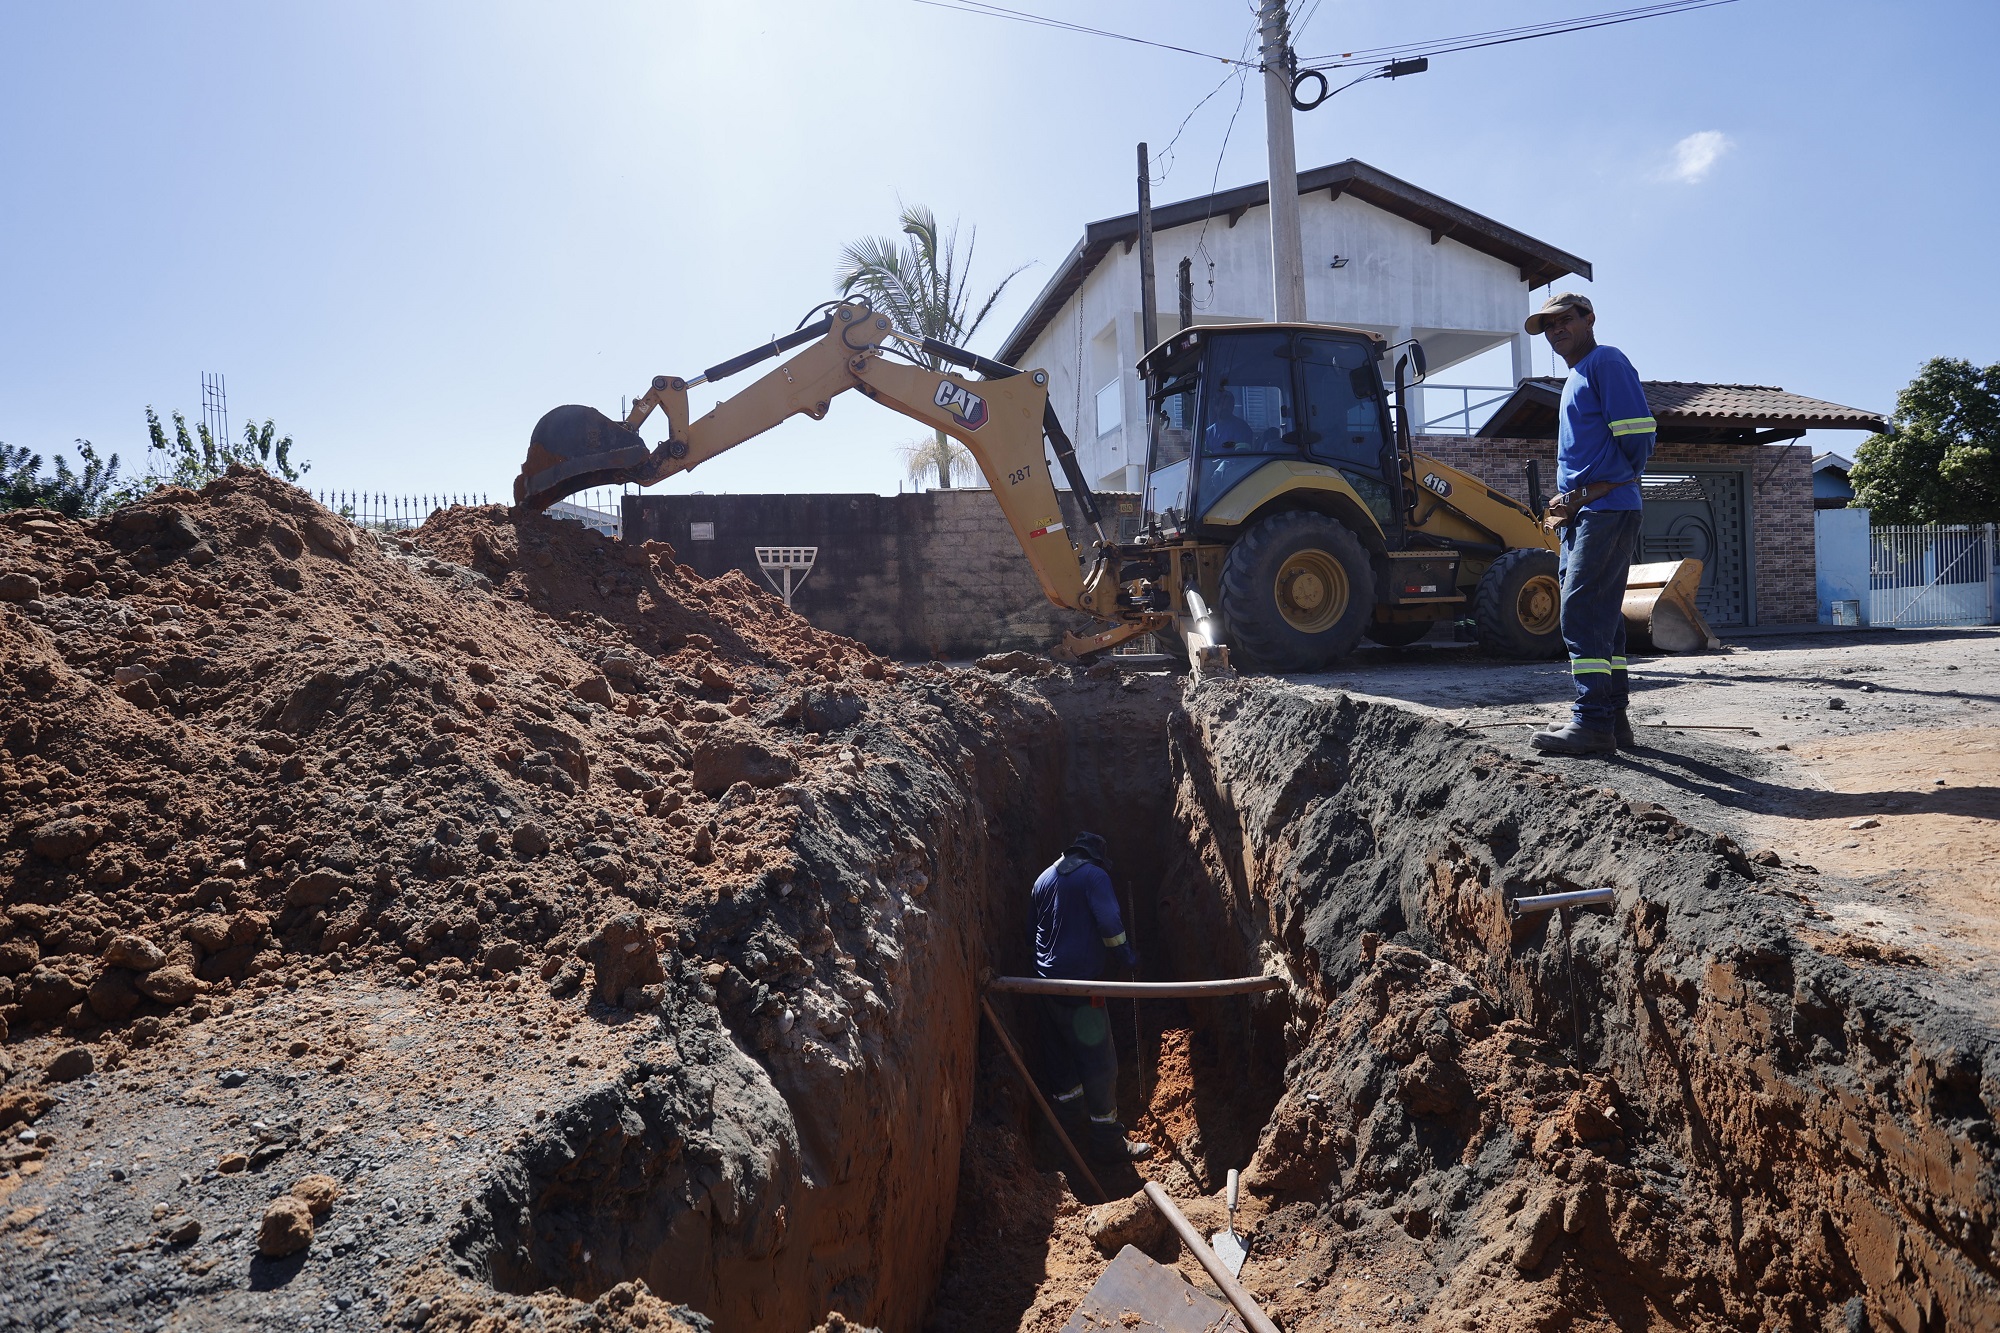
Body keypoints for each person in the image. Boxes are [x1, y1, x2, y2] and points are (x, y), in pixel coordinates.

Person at [1524, 292, 1657, 755]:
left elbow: (1638, 438)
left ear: (1589, 319)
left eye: (1564, 320)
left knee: (1580, 612)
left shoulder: (1606, 363)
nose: (1556, 330)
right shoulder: (1574, 378)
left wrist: (1598, 489)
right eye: (1548, 326)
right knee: (1602, 618)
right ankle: (1614, 720)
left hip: (1605, 509)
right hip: (1586, 513)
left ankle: (1592, 721)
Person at [1031, 831, 1152, 1162]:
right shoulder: (1095, 876)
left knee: (1062, 1065)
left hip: (1044, 989)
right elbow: (1110, 924)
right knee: (1100, 1064)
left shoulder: (1042, 879)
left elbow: (1037, 932)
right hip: (1081, 991)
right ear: (1096, 859)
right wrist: (1126, 955)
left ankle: (1069, 1140)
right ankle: (1108, 1144)